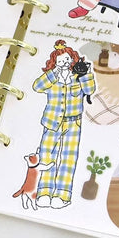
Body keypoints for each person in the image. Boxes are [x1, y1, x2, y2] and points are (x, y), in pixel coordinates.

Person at [32, 40, 96, 208]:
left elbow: (90, 90)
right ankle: (44, 192)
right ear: (54, 62)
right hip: (52, 122)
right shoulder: (52, 78)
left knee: (68, 159)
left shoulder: (78, 77)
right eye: (60, 60)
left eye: (67, 59)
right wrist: (53, 73)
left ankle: (62, 195)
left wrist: (85, 74)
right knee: (47, 157)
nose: (64, 63)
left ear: (73, 59)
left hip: (73, 123)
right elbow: (37, 87)